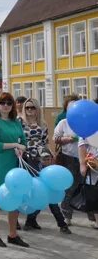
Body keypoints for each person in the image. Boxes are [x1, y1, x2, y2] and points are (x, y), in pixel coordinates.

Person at [20, 98, 70, 233]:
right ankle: (56, 222)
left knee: (47, 188)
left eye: (32, 107)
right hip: (26, 160)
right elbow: (17, 141)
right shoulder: (19, 123)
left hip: (42, 159)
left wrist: (51, 154)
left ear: (37, 109)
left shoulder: (42, 124)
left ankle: (35, 221)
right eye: (27, 107)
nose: (30, 110)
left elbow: (45, 142)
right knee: (36, 190)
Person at [0, 92, 29, 248]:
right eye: (2, 102)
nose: (5, 105)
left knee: (15, 200)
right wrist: (15, 145)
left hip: (14, 164)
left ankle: (13, 234)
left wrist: (21, 148)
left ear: (13, 106)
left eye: (9, 103)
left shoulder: (16, 122)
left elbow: (24, 142)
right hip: (0, 164)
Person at [54, 95, 96, 225]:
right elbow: (55, 138)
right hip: (70, 158)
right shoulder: (64, 122)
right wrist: (70, 139)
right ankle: (67, 215)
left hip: (88, 159)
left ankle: (92, 217)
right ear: (66, 108)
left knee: (89, 188)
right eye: (70, 106)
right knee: (71, 187)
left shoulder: (87, 120)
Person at [79, 134, 98, 229]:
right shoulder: (87, 131)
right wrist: (83, 164)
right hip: (93, 169)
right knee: (94, 196)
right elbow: (81, 145)